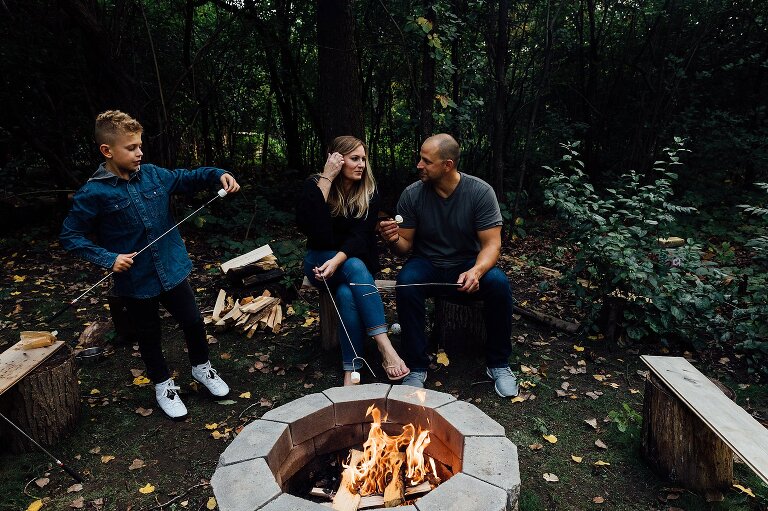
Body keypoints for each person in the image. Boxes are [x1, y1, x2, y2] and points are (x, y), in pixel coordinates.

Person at [60, 110, 241, 420]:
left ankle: (202, 369)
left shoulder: (155, 174)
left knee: (194, 322)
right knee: (149, 336)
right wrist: (109, 258)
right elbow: (70, 236)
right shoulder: (93, 193)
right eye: (131, 147)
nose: (139, 152)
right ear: (107, 150)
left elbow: (188, 177)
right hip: (136, 281)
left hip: (171, 270)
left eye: (140, 145)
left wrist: (217, 174)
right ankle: (163, 386)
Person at [379, 133, 518, 397]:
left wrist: (476, 271)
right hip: (427, 262)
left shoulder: (480, 192)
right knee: (407, 282)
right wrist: (393, 239)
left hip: (466, 264)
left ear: (448, 165)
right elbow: (404, 248)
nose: (419, 165)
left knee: (498, 283)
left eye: (426, 161)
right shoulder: (412, 194)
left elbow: (492, 245)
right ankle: (417, 367)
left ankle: (498, 364)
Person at [296, 135, 410, 386]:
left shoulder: (369, 191)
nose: (361, 164)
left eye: (363, 159)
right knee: (355, 266)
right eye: (354, 159)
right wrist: (326, 178)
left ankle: (352, 370)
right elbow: (311, 229)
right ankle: (385, 347)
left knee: (348, 291)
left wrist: (338, 260)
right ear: (337, 160)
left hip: (350, 264)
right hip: (318, 261)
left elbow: (361, 237)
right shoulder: (314, 185)